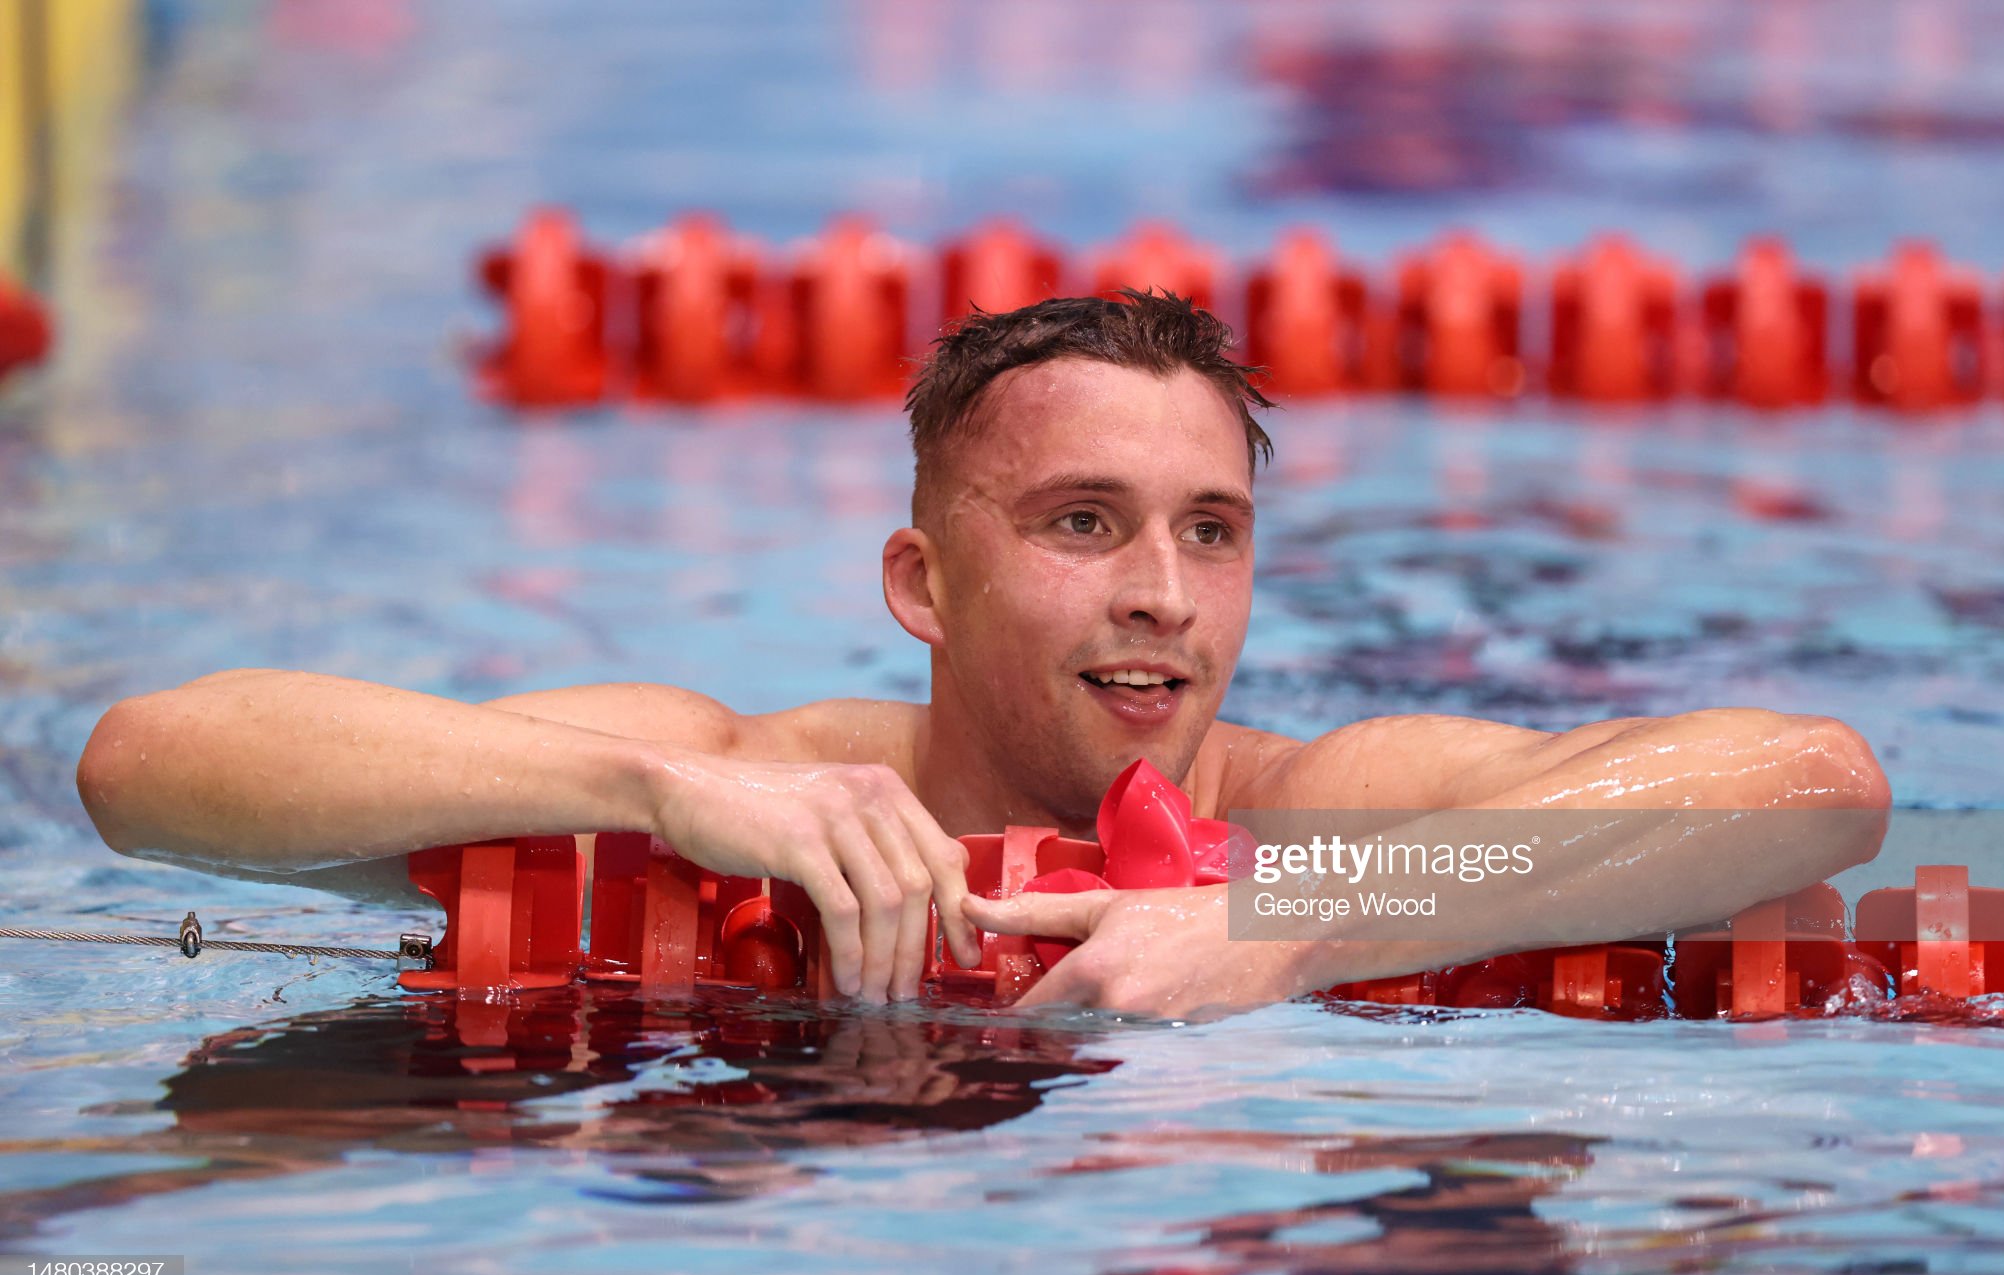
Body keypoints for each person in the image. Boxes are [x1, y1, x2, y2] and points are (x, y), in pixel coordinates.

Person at [75, 291, 1890, 1016]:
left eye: (1212, 532)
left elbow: (1811, 785)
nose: (1166, 596)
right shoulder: (740, 777)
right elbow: (151, 763)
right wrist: (636, 784)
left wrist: (1281, 921)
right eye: (1083, 524)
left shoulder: (1319, 813)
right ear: (922, 586)